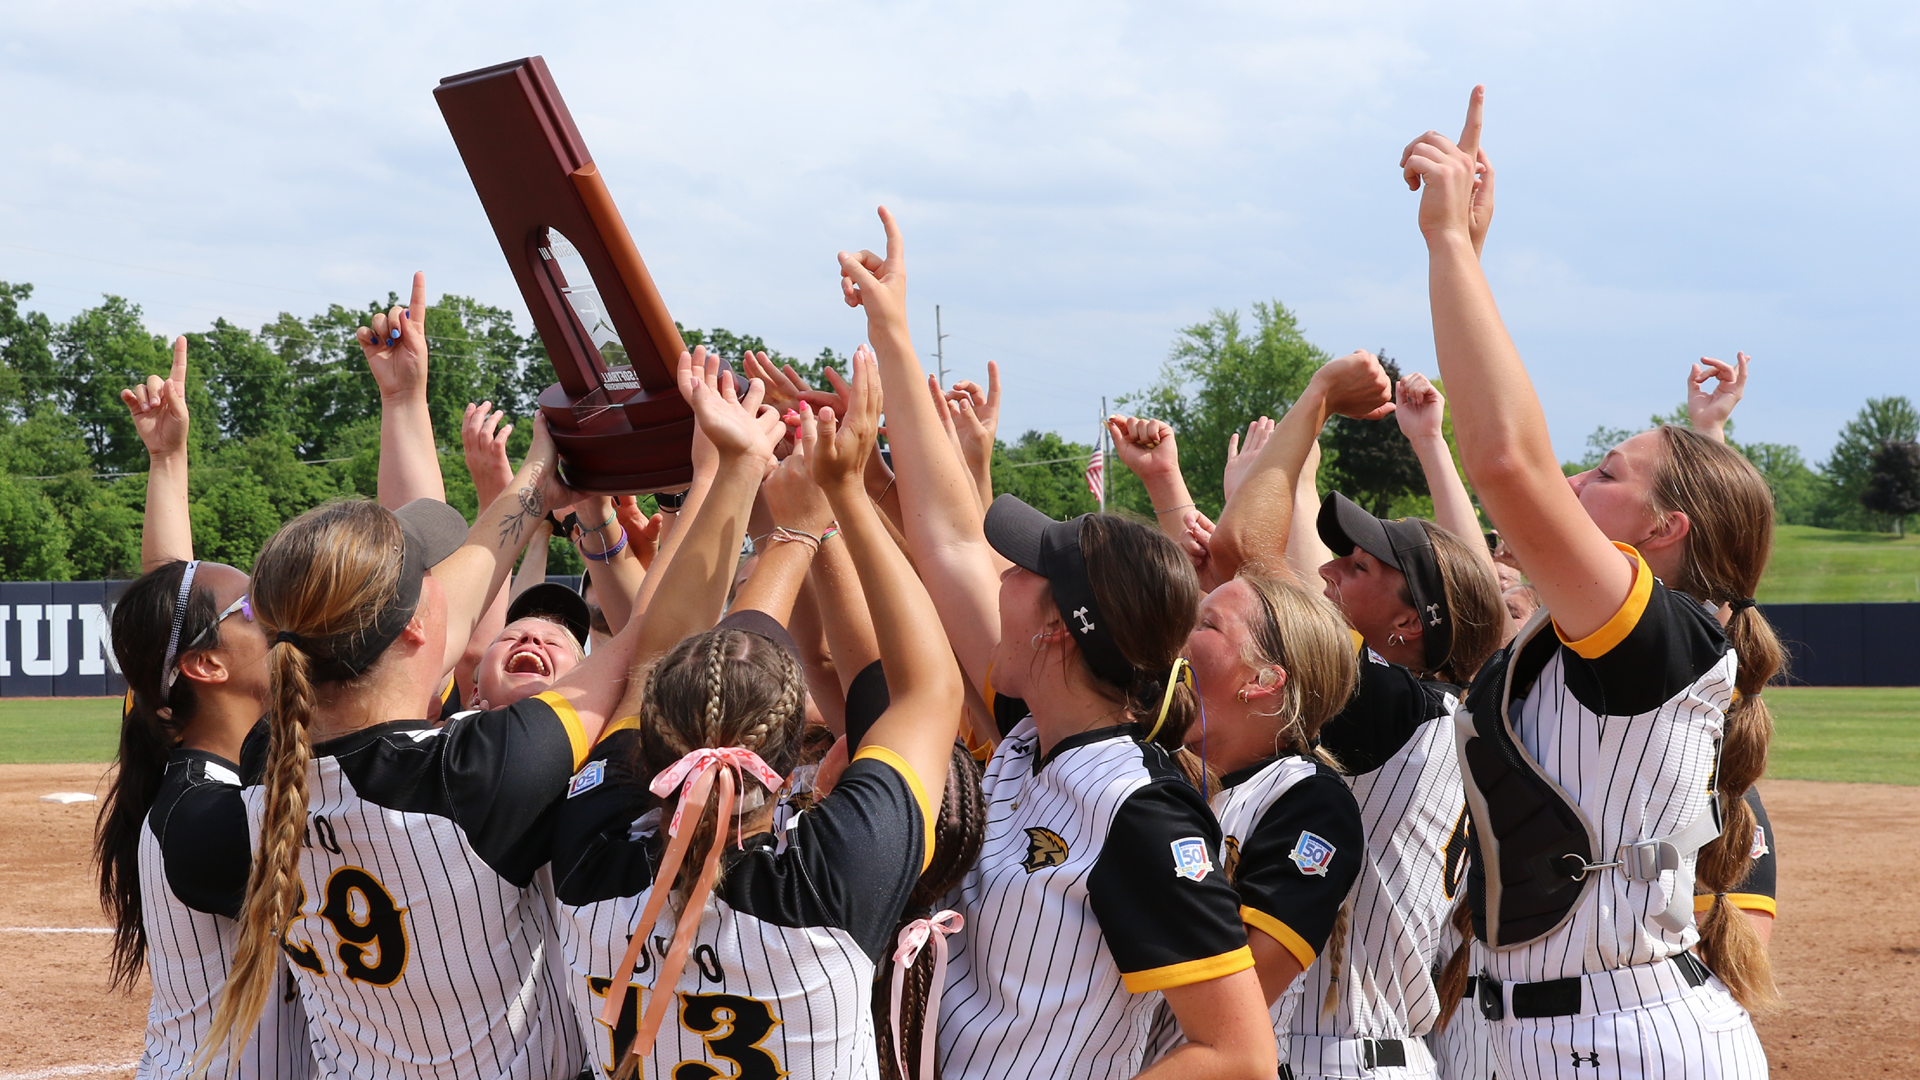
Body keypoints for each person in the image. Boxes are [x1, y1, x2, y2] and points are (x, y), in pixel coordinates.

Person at [839, 207, 1276, 1080]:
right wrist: (891, 329)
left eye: (1027, 569)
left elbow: (1237, 1055)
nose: (1002, 572)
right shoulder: (1032, 726)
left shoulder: (1139, 812)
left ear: (1058, 631)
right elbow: (949, 539)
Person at [1405, 91, 1777, 1076]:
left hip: (1620, 1041)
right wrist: (1468, 263)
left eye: (1605, 474)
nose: (1575, 483)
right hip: (1519, 1033)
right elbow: (1515, 461)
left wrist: (1448, 243)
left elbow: (1508, 462)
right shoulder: (1580, 640)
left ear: (1664, 533)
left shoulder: (1664, 644)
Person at [191, 356, 683, 1079]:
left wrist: (535, 483)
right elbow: (652, 641)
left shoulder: (270, 751)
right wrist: (707, 487)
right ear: (419, 622)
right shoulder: (475, 772)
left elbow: (427, 627)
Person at [548, 346, 968, 1080]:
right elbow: (928, 689)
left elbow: (650, 655)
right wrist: (836, 502)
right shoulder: (834, 876)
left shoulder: (589, 850)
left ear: (647, 741)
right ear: (789, 763)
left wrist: (752, 492)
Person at [1142, 572, 1366, 1062]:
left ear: (1263, 680)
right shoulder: (1145, 762)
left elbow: (1233, 1011)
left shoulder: (1310, 801)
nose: (1178, 634)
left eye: (1206, 624)